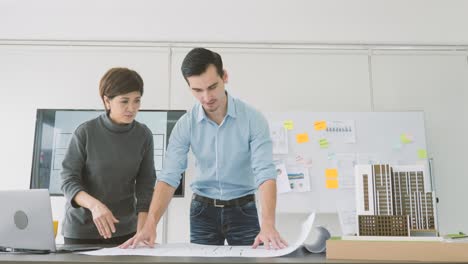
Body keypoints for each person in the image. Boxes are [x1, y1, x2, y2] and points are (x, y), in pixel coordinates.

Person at [121, 48, 287, 249]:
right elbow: (169, 177)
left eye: (212, 87)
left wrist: (268, 223)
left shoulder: (253, 119)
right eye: (197, 90)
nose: (207, 97)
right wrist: (150, 224)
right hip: (203, 211)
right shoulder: (186, 124)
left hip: (244, 208)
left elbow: (265, 173)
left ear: (224, 76)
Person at [61, 67, 156, 244]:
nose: (132, 108)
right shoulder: (85, 132)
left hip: (125, 232)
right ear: (107, 101)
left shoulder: (144, 135)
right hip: (81, 232)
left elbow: (146, 185)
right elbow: (68, 181)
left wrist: (142, 230)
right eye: (124, 101)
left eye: (137, 101)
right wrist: (95, 206)